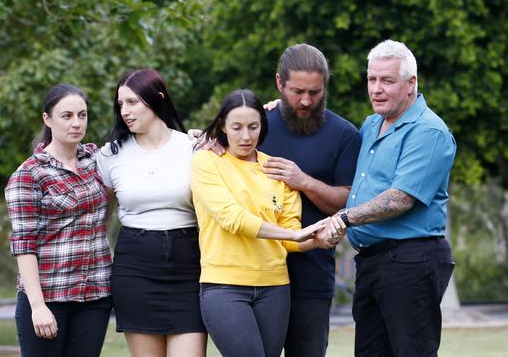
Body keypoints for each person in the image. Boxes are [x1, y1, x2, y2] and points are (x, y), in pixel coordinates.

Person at [326, 40, 457, 356]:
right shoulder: (372, 124)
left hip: (411, 261)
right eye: (372, 80)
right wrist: (274, 110)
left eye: (387, 80)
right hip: (372, 261)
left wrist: (344, 218)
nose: (376, 89)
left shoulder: (429, 131)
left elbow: (400, 199)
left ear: (411, 83)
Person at [190, 89, 336, 357]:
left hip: (275, 287)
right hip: (224, 286)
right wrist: (294, 236)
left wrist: (315, 239)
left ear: (262, 127)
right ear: (222, 126)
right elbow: (231, 218)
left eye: (253, 127)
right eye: (236, 127)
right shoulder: (206, 161)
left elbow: (289, 237)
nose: (245, 136)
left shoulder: (276, 170)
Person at [260, 43, 362, 357]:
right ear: (279, 83)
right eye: (297, 91)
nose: (306, 101)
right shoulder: (254, 126)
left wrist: (303, 181)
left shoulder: (345, 135)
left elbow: (347, 204)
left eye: (315, 92)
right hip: (253, 271)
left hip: (312, 276)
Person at [96, 69, 207, 357]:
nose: (125, 111)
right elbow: (101, 215)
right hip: (135, 268)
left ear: (157, 99)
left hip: (189, 266)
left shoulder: (193, 148)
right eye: (120, 104)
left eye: (132, 102)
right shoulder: (109, 156)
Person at [5, 83, 113, 357]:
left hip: (95, 296)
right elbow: (24, 245)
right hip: (49, 298)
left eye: (82, 115)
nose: (76, 123)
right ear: (47, 119)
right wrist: (38, 306)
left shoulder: (96, 161)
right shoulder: (29, 174)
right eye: (67, 116)